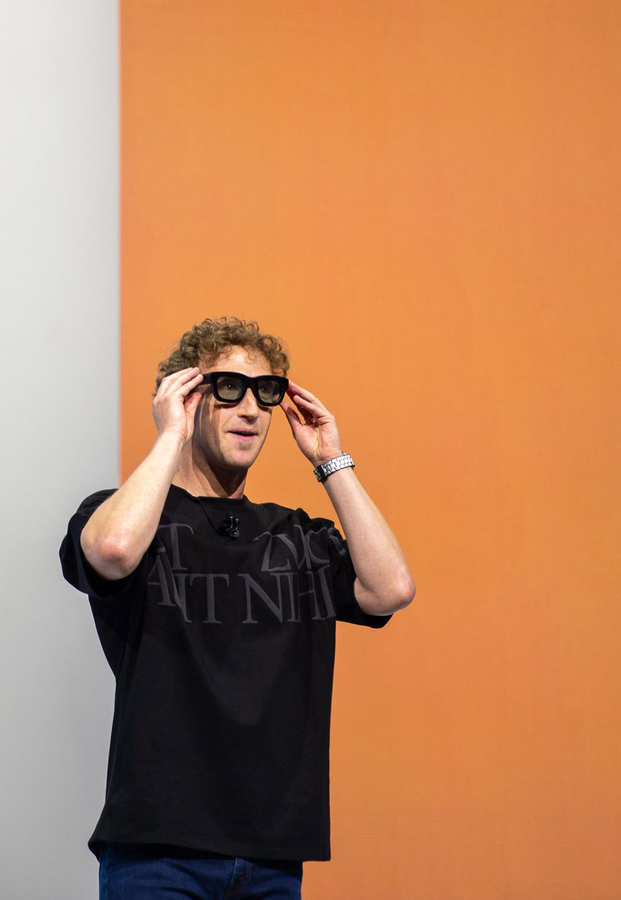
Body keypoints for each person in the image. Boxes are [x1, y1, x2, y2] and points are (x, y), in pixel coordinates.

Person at [59, 317, 415, 900]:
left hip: (271, 855)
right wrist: (170, 436)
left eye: (266, 392)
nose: (250, 409)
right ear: (187, 396)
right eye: (228, 388)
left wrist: (331, 460)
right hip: (158, 851)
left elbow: (391, 588)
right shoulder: (126, 517)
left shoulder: (296, 536)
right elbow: (114, 551)